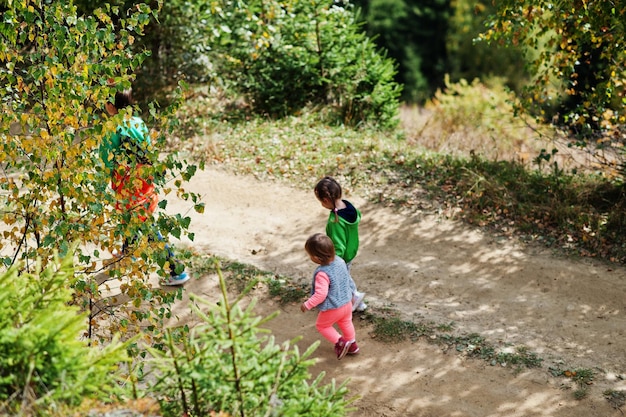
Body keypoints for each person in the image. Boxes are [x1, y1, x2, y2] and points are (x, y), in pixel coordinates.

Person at [99, 88, 189, 286]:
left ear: (111, 106)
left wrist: (105, 178)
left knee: (143, 223)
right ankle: (127, 254)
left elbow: (107, 157)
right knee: (132, 216)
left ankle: (177, 270)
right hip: (143, 178)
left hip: (126, 180)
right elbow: (148, 148)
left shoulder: (112, 127)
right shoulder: (137, 122)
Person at [300, 233, 359, 359]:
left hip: (333, 307)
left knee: (322, 326)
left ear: (316, 258)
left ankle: (341, 343)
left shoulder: (322, 273)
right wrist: (353, 293)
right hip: (347, 302)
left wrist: (307, 304)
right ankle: (352, 345)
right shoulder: (340, 261)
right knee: (346, 323)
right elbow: (347, 279)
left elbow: (321, 294)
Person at [314, 176, 367, 311]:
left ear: (325, 200)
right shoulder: (349, 206)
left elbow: (338, 245)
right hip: (352, 249)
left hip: (341, 256)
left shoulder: (335, 222)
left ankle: (355, 298)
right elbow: (358, 216)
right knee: (345, 276)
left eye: (321, 201)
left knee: (342, 278)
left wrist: (333, 260)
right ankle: (357, 301)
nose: (322, 204)